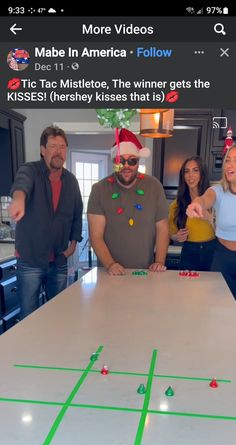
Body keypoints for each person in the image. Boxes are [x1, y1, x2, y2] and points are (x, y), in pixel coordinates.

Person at [9, 125, 83, 319]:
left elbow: (77, 214)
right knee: (29, 317)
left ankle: (55, 348)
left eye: (62, 146)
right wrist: (19, 199)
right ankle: (31, 349)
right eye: (53, 146)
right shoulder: (30, 170)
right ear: (43, 150)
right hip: (30, 259)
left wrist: (74, 242)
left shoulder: (71, 181)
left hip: (59, 260)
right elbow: (21, 184)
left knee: (57, 315)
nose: (58, 151)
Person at [87, 128, 169, 275]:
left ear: (138, 161)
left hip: (145, 273)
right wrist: (110, 264)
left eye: (132, 160)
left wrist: (159, 262)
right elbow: (95, 236)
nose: (126, 166)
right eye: (120, 160)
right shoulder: (99, 189)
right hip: (109, 273)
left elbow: (162, 228)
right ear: (114, 161)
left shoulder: (154, 186)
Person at [186, 145, 236, 299]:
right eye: (227, 160)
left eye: (235, 160)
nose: (230, 164)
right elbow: (206, 198)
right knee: (217, 308)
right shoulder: (218, 191)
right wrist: (197, 204)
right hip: (222, 257)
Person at [168, 156, 216, 271]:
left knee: (212, 287)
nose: (190, 175)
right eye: (186, 171)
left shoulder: (214, 199)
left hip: (213, 252)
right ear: (183, 176)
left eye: (195, 170)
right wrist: (177, 236)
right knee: (186, 287)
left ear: (202, 174)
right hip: (189, 253)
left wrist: (209, 217)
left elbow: (227, 232)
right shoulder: (176, 205)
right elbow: (171, 234)